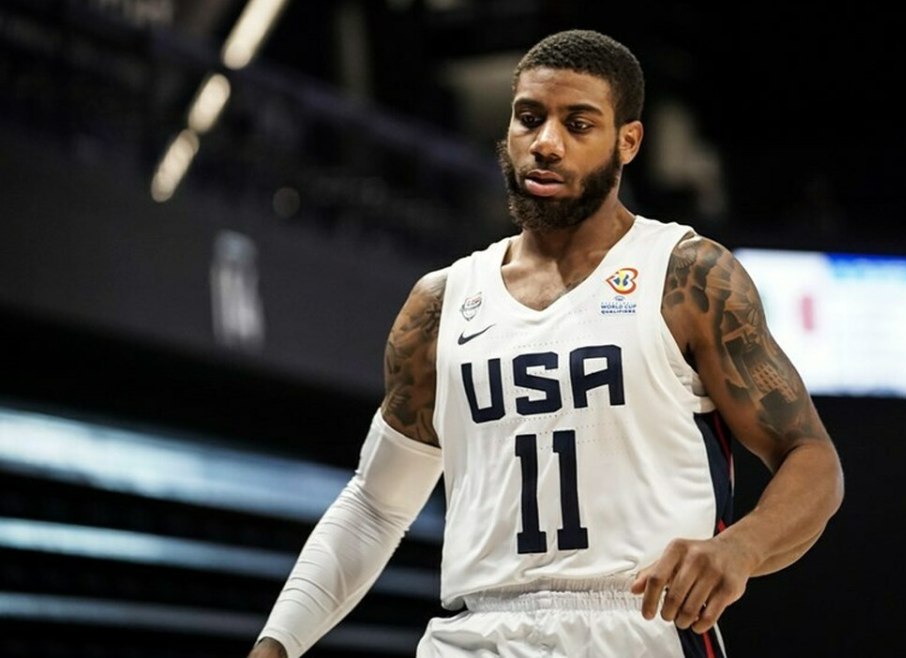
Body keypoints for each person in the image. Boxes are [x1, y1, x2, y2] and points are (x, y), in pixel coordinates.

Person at [246, 28, 844, 658]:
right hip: (476, 632)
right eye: (529, 119)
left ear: (628, 141)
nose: (546, 143)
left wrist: (740, 548)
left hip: (637, 622)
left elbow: (811, 458)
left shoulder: (687, 275)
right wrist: (276, 645)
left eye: (578, 124)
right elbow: (374, 506)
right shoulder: (440, 304)